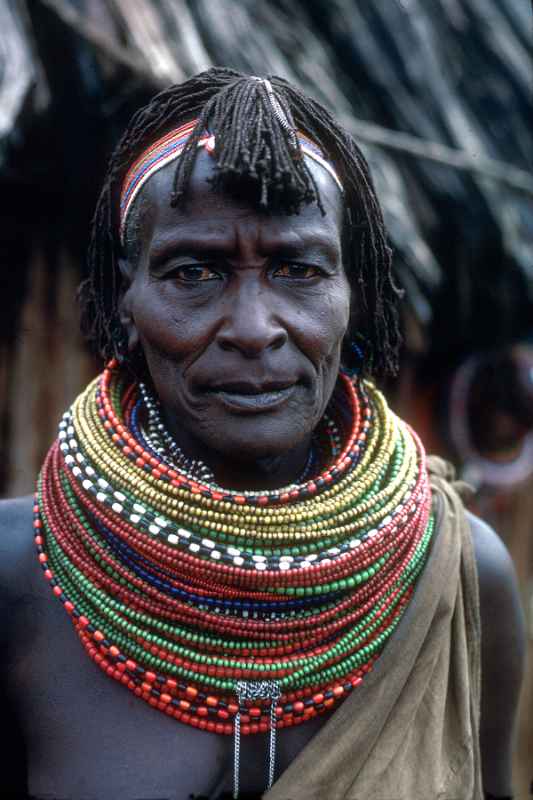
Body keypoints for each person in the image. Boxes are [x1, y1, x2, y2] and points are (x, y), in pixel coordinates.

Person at [0, 68, 525, 800]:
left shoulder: (462, 578)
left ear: (355, 294)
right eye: (194, 272)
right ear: (126, 300)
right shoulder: (18, 576)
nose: (253, 329)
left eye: (297, 269)